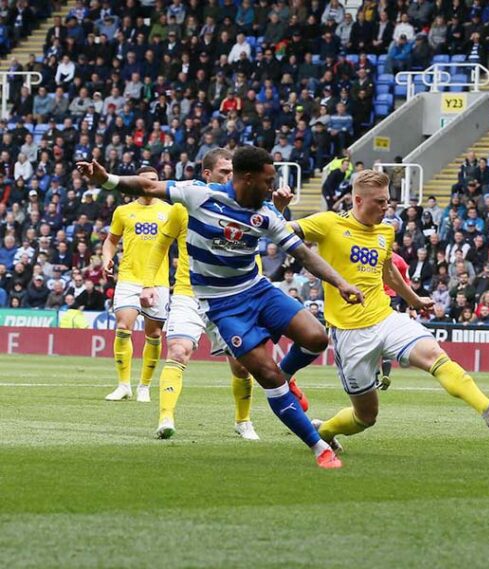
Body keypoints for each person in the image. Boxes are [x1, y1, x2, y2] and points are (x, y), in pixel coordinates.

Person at [77, 146, 364, 470]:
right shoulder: (199, 195)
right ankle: (319, 447)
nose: (272, 187)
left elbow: (303, 254)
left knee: (317, 338)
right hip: (220, 304)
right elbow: (147, 186)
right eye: (268, 181)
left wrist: (341, 283)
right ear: (248, 178)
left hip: (257, 289)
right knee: (265, 374)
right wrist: (107, 179)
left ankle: (285, 377)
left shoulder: (266, 213)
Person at [286, 170, 489, 450]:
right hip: (350, 334)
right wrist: (278, 207)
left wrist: (414, 299)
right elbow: (281, 230)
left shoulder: (385, 231)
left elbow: (388, 272)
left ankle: (488, 408)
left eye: (387, 201)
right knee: (366, 417)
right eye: (379, 202)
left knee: (434, 355)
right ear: (358, 200)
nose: (386, 207)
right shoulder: (328, 223)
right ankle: (323, 432)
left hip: (385, 318)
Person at [140, 149, 277, 440]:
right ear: (207, 174)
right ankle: (165, 418)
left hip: (230, 296)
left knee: (242, 365)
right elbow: (160, 245)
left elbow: (253, 251)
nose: (230, 177)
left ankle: (243, 421)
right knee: (178, 351)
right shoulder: (185, 206)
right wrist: (149, 284)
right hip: (188, 293)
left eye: (232, 172)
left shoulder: (244, 206)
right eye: (224, 172)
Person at [101, 166, 173, 403]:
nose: (150, 184)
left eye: (154, 180)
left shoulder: (169, 211)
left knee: (154, 334)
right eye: (145, 181)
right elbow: (111, 240)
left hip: (159, 281)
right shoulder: (123, 211)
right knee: (123, 326)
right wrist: (107, 258)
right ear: (136, 184)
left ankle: (144, 386)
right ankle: (123, 385)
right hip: (129, 278)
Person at [378, 246, 411, 390]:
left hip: (375, 297)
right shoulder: (399, 260)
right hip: (392, 298)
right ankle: (386, 373)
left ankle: (374, 376)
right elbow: (405, 283)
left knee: (371, 335)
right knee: (387, 335)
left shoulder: (373, 253)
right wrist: (409, 303)